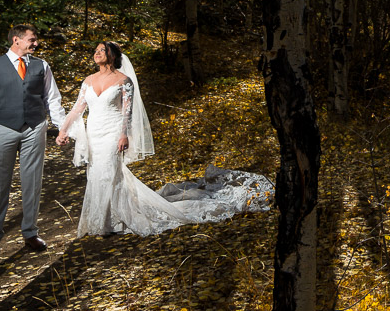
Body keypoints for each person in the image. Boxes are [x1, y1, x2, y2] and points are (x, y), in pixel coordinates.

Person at [57, 41, 273, 235]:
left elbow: (127, 112)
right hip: (94, 133)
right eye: (95, 51)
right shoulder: (88, 80)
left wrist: (124, 134)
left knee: (109, 172)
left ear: (112, 55)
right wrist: (63, 130)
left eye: (102, 50)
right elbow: (77, 109)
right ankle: (98, 219)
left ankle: (115, 218)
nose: (97, 53)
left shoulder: (124, 81)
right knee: (95, 173)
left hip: (113, 132)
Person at [0, 24, 68, 262]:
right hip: (2, 129)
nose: (36, 44)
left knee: (32, 183)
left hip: (34, 128)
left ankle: (30, 233)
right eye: (32, 40)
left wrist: (62, 127)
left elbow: (52, 99)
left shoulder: (42, 66)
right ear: (17, 40)